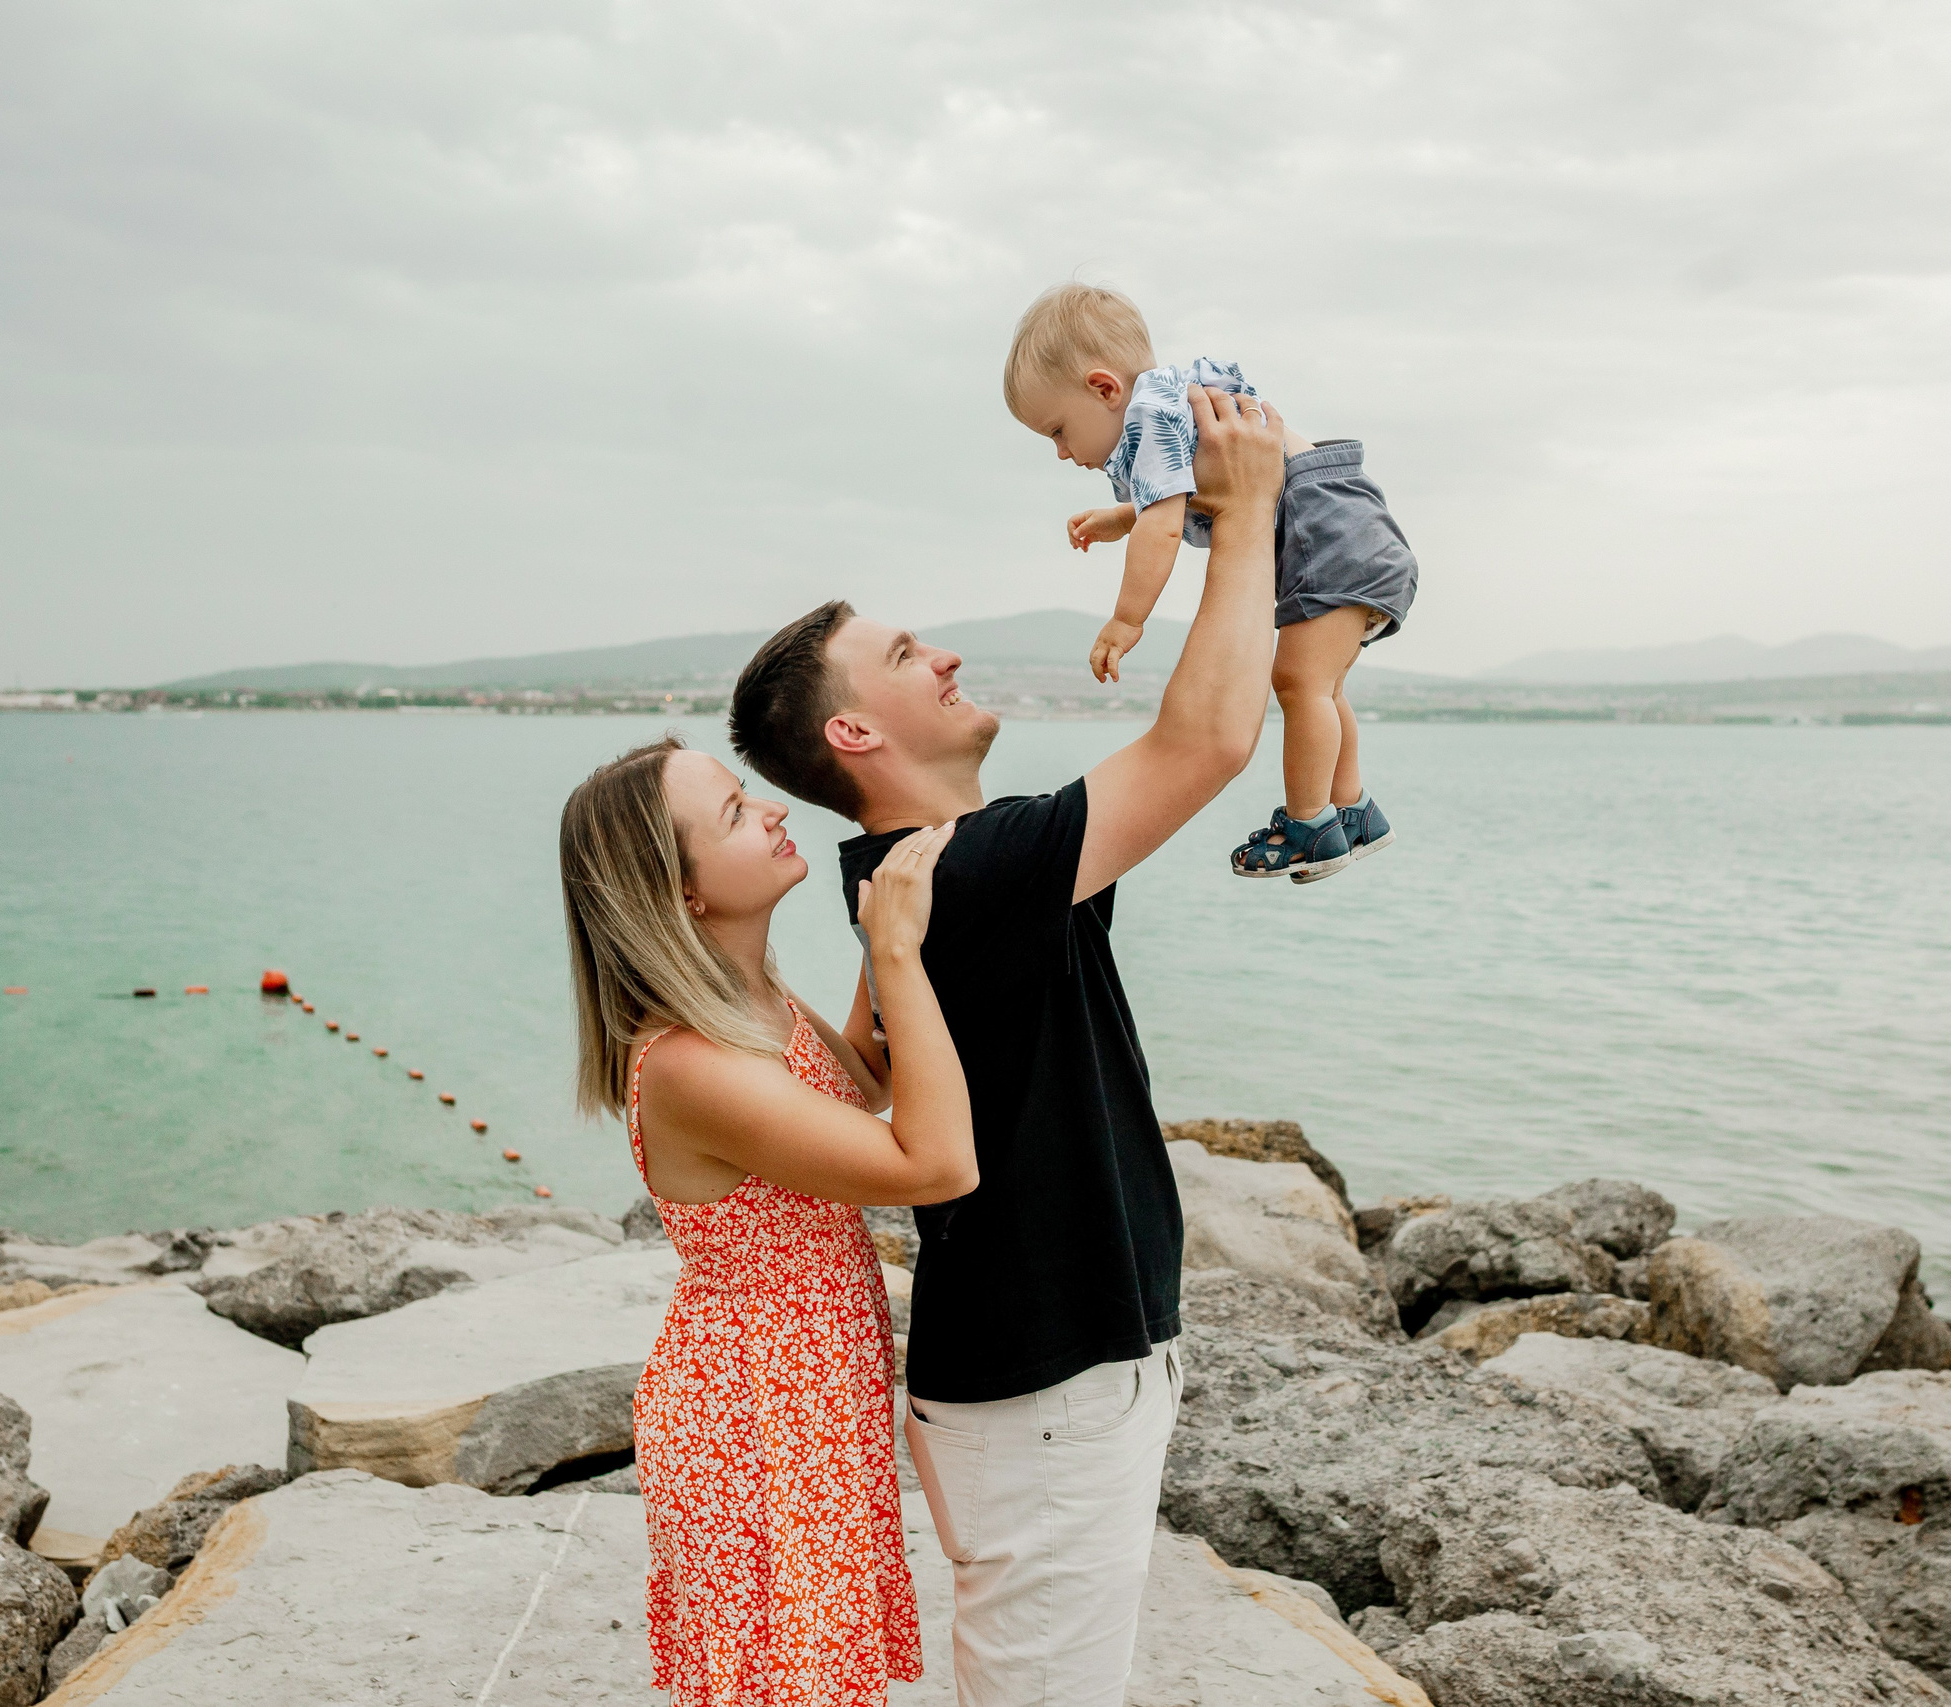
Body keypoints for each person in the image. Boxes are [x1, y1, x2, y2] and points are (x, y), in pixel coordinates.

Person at [724, 385, 1289, 1706]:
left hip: (1056, 1370)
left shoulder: (920, 876)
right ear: (854, 732)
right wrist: (1248, 507)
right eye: (910, 652)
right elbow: (1205, 738)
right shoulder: (965, 867)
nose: (949, 659)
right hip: (1049, 1386)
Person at [559, 734, 970, 1706]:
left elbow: (863, 1082)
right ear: (683, 893)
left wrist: (885, 918)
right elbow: (936, 1164)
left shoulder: (752, 1001)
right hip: (757, 1423)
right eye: (737, 814)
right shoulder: (695, 1063)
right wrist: (901, 955)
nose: (776, 811)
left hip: (809, 1400)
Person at [1004, 280, 1418, 883]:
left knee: (1300, 684)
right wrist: (1123, 516)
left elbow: (1164, 528)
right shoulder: (1173, 403)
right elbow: (1182, 494)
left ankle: (1310, 825)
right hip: (1348, 527)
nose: (1063, 453)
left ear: (1103, 388)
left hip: (1327, 529)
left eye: (1058, 430)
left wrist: (1127, 619)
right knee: (1319, 689)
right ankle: (1354, 812)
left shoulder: (1150, 413)